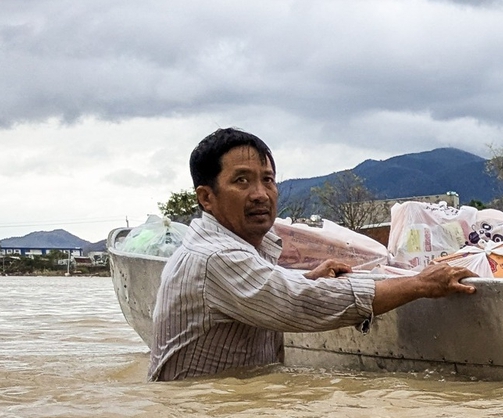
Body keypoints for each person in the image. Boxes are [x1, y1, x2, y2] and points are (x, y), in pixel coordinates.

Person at [148, 128, 475, 380]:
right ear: (206, 198)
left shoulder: (238, 248)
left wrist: (307, 278)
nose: (261, 194)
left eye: (268, 180)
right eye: (242, 181)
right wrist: (420, 285)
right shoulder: (215, 257)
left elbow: (268, 288)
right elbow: (298, 304)